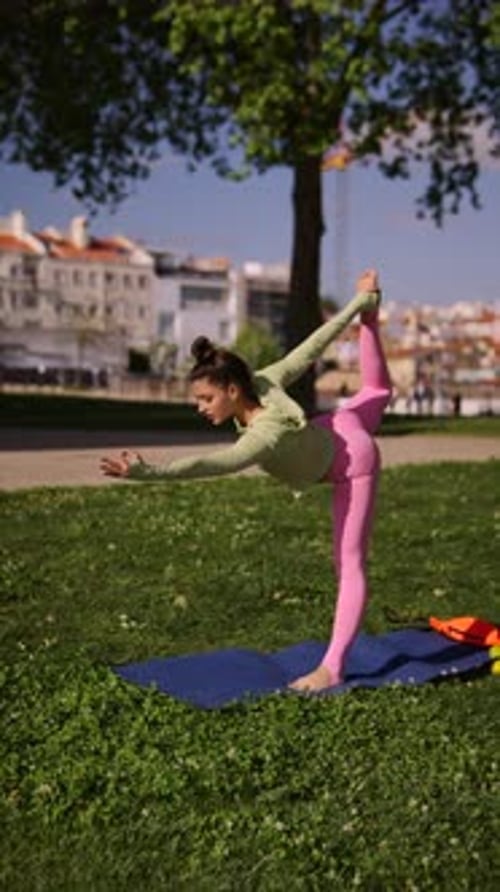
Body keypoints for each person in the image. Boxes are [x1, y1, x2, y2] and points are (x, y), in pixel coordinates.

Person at [101, 270, 392, 692]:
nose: (200, 408)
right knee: (378, 391)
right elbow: (314, 344)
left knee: (349, 564)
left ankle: (333, 667)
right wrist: (359, 304)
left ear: (233, 390)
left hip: (352, 463)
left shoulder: (265, 432)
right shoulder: (263, 381)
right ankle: (372, 317)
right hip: (338, 425)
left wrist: (150, 473)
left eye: (206, 398)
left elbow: (217, 463)